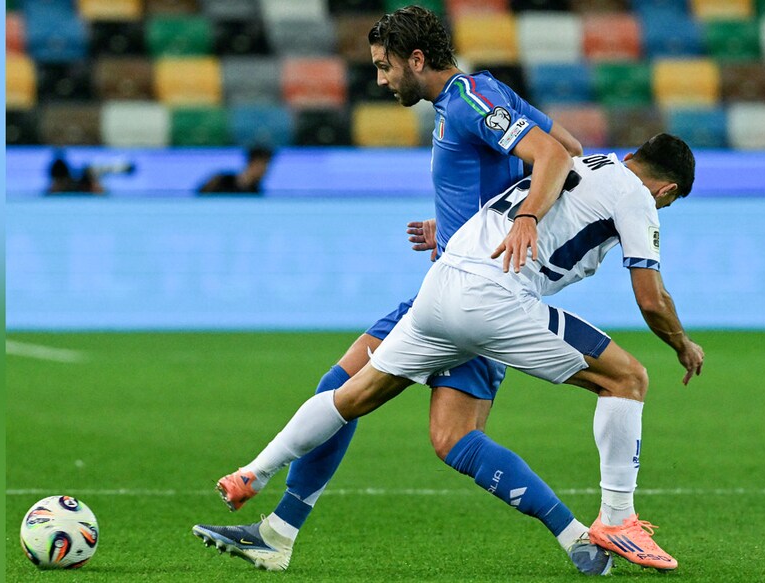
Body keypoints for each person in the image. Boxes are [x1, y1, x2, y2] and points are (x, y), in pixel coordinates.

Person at [191, 4, 604, 575]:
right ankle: (277, 532)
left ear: (416, 59)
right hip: (446, 288)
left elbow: (557, 156)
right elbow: (571, 148)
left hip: (480, 297)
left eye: (385, 67)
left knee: (445, 436)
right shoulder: (471, 98)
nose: (381, 80)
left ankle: (578, 535)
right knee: (345, 386)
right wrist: (467, 229)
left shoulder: (468, 100)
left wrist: (527, 219)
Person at [195, 134, 705, 572]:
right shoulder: (636, 195)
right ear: (667, 189)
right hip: (495, 298)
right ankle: (617, 520)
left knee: (353, 394)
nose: (660, 208)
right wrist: (681, 342)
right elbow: (650, 298)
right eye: (667, 204)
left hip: (440, 284)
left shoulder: (576, 161)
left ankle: (254, 472)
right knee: (627, 378)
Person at [197, 146, 274, 194]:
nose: (264, 171)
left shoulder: (256, 193)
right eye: (262, 166)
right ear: (252, 163)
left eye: (267, 167)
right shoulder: (220, 180)